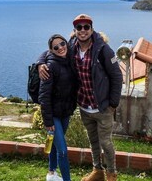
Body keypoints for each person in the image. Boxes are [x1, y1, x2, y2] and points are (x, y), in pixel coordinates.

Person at [38, 14, 123, 181]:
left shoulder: (103, 49)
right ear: (75, 30)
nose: (82, 30)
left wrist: (113, 103)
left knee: (106, 143)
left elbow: (117, 76)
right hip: (84, 106)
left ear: (91, 29)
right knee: (93, 142)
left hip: (103, 107)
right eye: (79, 27)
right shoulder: (71, 46)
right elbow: (51, 50)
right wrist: (40, 62)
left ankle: (111, 174)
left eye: (86, 27)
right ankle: (97, 171)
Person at [38, 34, 78, 181]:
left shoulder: (70, 58)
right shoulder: (49, 67)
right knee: (62, 151)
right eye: (56, 47)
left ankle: (51, 173)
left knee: (54, 144)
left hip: (65, 113)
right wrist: (48, 122)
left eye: (62, 44)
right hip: (53, 115)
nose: (60, 48)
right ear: (51, 50)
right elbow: (44, 96)